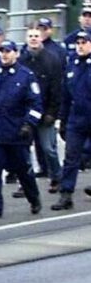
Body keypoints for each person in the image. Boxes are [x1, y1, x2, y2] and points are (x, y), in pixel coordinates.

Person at [0, 40, 43, 219]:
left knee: (22, 169)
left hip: (17, 133)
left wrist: (28, 124)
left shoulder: (25, 76)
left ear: (16, 53)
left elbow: (36, 104)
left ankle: (33, 198)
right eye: (2, 51)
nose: (4, 54)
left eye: (8, 51)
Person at [19, 25, 62, 192]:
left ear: (42, 37)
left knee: (48, 148)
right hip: (26, 113)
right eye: (30, 35)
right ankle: (26, 182)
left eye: (36, 35)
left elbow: (56, 89)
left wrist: (52, 112)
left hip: (45, 112)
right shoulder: (22, 60)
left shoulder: (52, 59)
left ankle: (57, 176)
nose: (33, 38)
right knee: (24, 150)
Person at [53, 31, 91, 211]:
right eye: (79, 42)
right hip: (76, 119)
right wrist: (62, 119)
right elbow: (66, 96)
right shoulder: (72, 65)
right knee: (71, 157)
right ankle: (66, 194)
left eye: (85, 42)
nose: (81, 46)